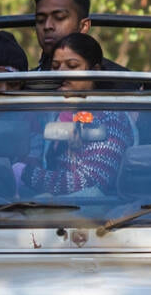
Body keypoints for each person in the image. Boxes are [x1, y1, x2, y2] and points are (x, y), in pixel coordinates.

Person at [19, 33, 134, 196]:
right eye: (56, 66)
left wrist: (26, 174)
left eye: (72, 66)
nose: (61, 73)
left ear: (95, 71)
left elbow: (91, 183)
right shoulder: (50, 114)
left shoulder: (111, 118)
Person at [31, 0, 128, 73]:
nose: (47, 26)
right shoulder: (24, 81)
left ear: (84, 26)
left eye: (59, 17)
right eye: (40, 20)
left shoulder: (120, 81)